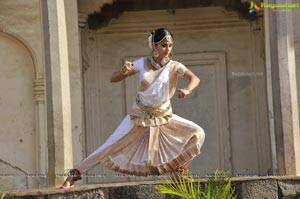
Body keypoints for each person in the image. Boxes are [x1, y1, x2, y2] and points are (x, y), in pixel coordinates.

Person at [60, 28, 205, 189]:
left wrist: (188, 89)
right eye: (164, 45)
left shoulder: (174, 66)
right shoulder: (142, 63)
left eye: (170, 46)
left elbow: (194, 78)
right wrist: (123, 72)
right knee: (108, 147)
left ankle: (179, 170)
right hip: (138, 117)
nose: (168, 49)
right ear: (154, 46)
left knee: (197, 133)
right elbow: (113, 78)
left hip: (164, 116)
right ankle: (72, 176)